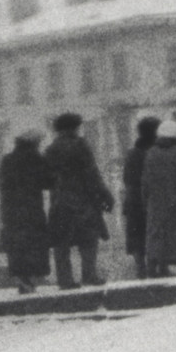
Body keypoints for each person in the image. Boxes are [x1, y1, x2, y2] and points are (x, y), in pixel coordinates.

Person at [42, 112, 113, 288]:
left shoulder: (50, 150)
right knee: (89, 238)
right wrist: (105, 195)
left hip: (59, 202)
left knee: (61, 242)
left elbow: (44, 179)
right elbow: (92, 174)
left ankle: (64, 280)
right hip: (82, 200)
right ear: (74, 128)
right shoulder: (80, 146)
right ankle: (89, 275)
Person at [0, 130, 53, 293]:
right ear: (34, 144)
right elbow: (48, 182)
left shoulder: (7, 160)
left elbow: (2, 185)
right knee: (34, 245)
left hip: (11, 212)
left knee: (17, 247)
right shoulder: (36, 159)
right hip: (31, 210)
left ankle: (22, 279)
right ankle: (31, 281)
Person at [141, 120, 176, 278]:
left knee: (157, 234)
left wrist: (146, 200)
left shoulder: (150, 153)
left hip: (156, 202)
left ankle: (154, 268)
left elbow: (145, 181)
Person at [120, 116, 160, 280]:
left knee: (136, 233)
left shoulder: (132, 153)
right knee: (153, 231)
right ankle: (153, 268)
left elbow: (126, 177)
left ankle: (140, 269)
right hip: (151, 198)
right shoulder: (155, 152)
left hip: (133, 198)